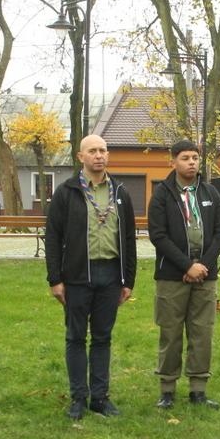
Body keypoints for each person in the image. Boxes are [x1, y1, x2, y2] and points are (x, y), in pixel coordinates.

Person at [45, 134, 137, 419]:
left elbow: (129, 238)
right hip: (77, 275)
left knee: (102, 337)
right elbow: (52, 237)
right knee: (75, 337)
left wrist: (128, 280)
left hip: (110, 274)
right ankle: (78, 398)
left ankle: (100, 397)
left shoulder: (120, 192)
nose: (99, 155)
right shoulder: (67, 192)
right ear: (80, 156)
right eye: (93, 151)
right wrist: (55, 279)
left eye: (103, 150)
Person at [148, 139, 220, 410]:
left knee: (202, 333)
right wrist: (186, 266)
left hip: (205, 276)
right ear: (173, 162)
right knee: (170, 334)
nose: (191, 162)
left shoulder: (210, 193)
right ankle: (167, 390)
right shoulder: (162, 194)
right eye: (185, 158)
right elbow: (158, 235)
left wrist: (202, 266)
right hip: (172, 276)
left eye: (195, 157)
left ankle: (198, 390)